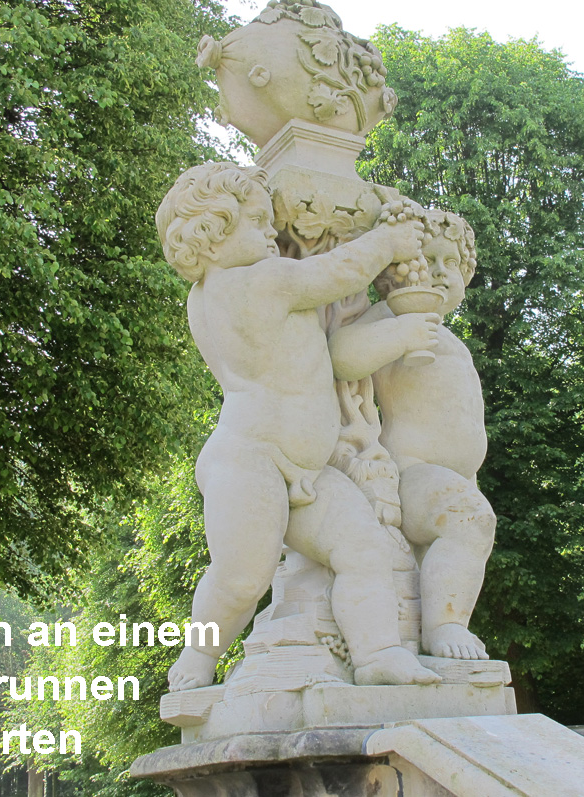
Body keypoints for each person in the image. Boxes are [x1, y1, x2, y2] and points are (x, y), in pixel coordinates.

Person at [156, 162, 441, 690]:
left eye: (272, 222)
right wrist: (389, 240)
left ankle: (377, 653)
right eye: (257, 222)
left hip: (308, 468)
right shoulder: (257, 283)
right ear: (210, 236)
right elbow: (335, 273)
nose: (271, 234)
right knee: (241, 578)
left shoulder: (228, 288)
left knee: (364, 549)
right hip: (251, 459)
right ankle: (197, 658)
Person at [329, 209, 494, 660]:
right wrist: (400, 334)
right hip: (411, 471)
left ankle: (432, 628)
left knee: (462, 544)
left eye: (451, 263)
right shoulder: (391, 316)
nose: (439, 272)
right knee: (470, 521)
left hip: (457, 476)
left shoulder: (451, 338)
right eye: (427, 260)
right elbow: (341, 355)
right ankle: (444, 629)